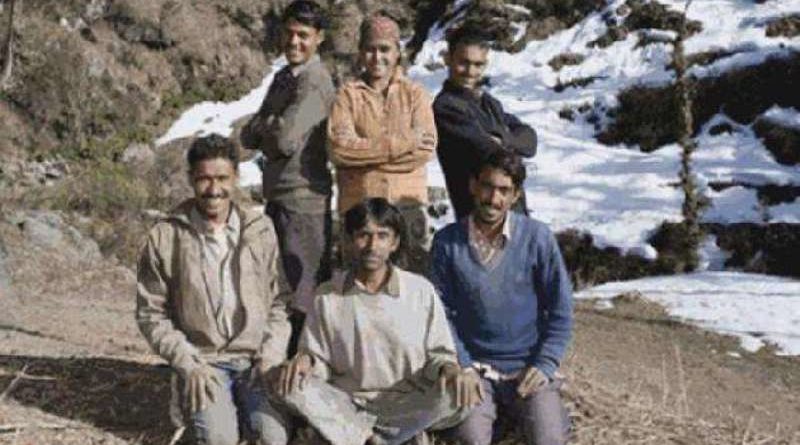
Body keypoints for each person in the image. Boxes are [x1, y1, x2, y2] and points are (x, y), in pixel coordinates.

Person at [274, 198, 474, 445]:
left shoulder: (420, 291)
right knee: (291, 385)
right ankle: (380, 437)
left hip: (407, 401)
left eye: (382, 236)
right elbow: (318, 361)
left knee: (460, 395)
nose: (372, 246)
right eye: (363, 236)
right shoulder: (327, 295)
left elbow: (440, 355)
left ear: (394, 243)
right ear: (349, 241)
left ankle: (359, 436)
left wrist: (451, 371)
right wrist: (306, 361)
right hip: (347, 403)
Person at [136, 135, 292, 445]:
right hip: (203, 362)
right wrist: (186, 363)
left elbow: (279, 301)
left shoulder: (260, 230)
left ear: (235, 178)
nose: (213, 189)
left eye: (222, 178)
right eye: (204, 179)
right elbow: (151, 314)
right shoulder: (166, 236)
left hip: (254, 360)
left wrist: (271, 356)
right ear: (191, 179)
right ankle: (185, 394)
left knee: (273, 437)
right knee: (219, 439)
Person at [430, 151, 573, 445]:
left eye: (504, 190)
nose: (493, 198)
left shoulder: (537, 238)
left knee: (549, 438)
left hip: (528, 367)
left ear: (515, 195)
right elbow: (440, 314)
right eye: (487, 186)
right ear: (472, 185)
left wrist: (544, 364)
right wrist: (463, 365)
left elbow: (561, 310)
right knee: (469, 438)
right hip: (476, 370)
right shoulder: (447, 243)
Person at [240, 0, 336, 349]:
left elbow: (284, 140)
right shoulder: (284, 78)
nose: (294, 42)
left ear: (319, 37)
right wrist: (270, 123)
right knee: (279, 285)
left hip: (304, 200)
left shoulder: (315, 80)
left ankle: (304, 362)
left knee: (304, 291)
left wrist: (266, 125)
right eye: (289, 33)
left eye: (303, 35)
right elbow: (247, 136)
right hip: (279, 196)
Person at [327, 14, 437, 267]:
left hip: (407, 209)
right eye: (370, 49)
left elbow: (424, 150)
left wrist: (365, 158)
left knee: (411, 283)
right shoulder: (347, 96)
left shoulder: (416, 95)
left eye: (385, 49)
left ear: (397, 52)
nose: (377, 57)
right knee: (358, 285)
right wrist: (401, 144)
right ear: (360, 52)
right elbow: (339, 150)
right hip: (360, 211)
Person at [433, 25, 538, 221]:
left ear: (485, 64)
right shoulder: (446, 107)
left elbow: (531, 142)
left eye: (478, 64)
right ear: (448, 59)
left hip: (513, 215)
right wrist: (510, 143)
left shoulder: (489, 103)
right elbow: (491, 152)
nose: (470, 71)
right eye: (463, 62)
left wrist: (504, 139)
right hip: (478, 219)